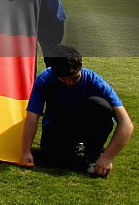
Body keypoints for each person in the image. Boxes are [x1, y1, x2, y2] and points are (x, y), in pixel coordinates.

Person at [21, 45, 133, 176]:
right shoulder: (44, 79)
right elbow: (32, 116)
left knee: (100, 105)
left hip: (83, 123)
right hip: (57, 126)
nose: (69, 83)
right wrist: (25, 151)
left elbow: (126, 124)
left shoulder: (94, 81)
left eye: (74, 78)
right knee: (52, 159)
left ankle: (93, 154)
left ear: (81, 68)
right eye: (63, 79)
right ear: (53, 72)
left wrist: (107, 157)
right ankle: (73, 150)